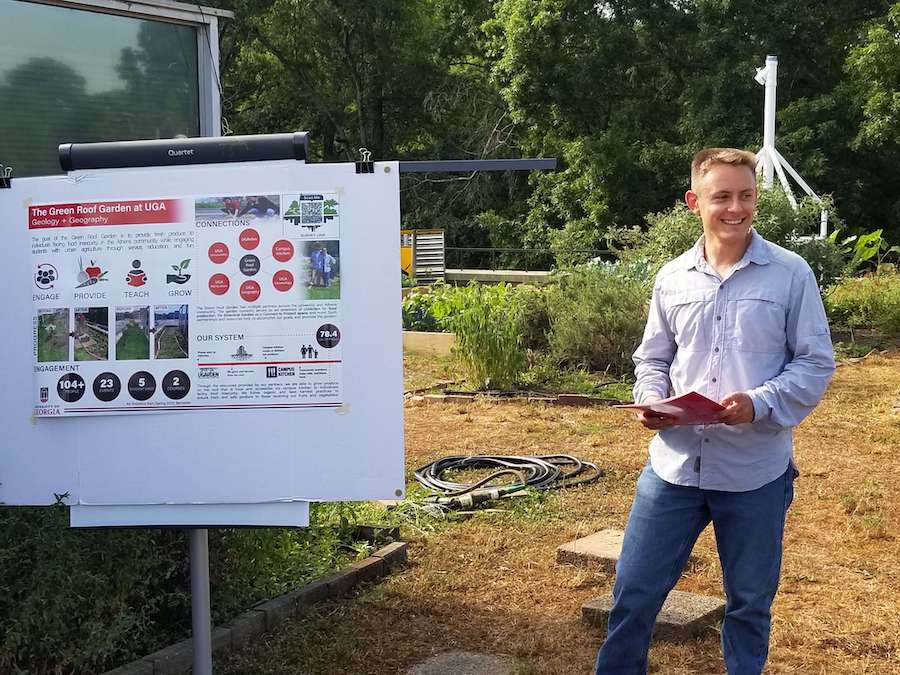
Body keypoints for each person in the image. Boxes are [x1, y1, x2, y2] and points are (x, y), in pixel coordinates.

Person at [594, 148, 835, 675]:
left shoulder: (790, 275)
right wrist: (651, 399)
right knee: (633, 595)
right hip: (674, 466)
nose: (735, 208)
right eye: (721, 196)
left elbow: (815, 363)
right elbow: (653, 357)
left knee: (749, 605)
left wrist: (759, 402)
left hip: (754, 472)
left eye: (745, 195)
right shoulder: (672, 277)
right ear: (693, 202)